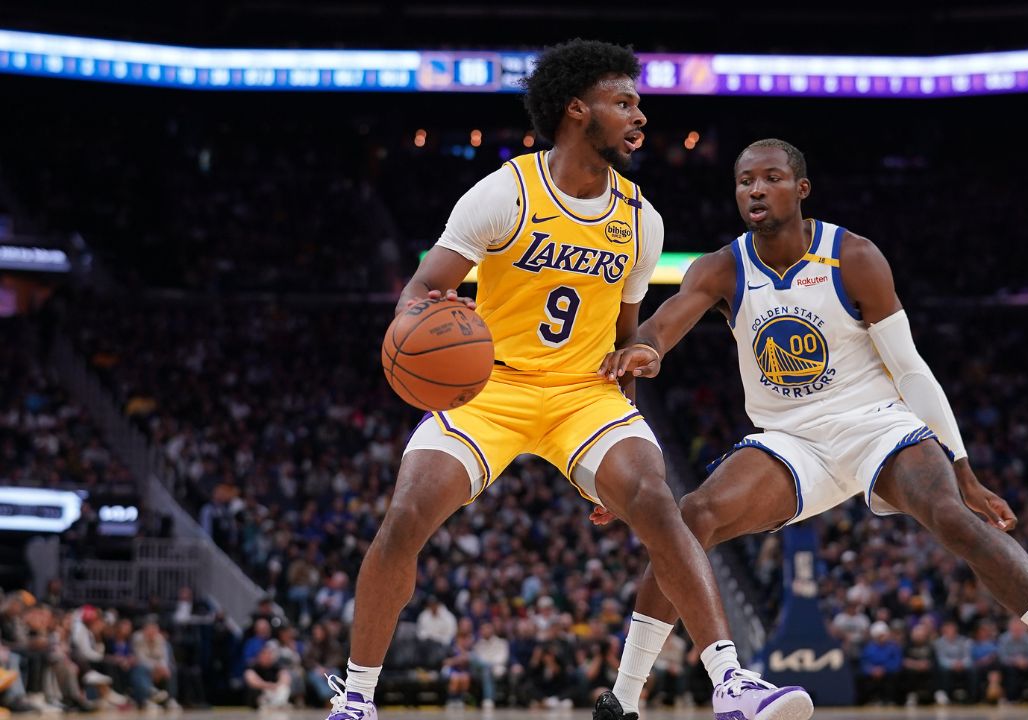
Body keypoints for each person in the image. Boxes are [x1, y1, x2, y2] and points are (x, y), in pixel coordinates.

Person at [595, 137, 1028, 720]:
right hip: (791, 441)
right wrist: (648, 350)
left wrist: (963, 468)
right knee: (693, 515)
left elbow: (910, 369)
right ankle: (622, 700)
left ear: (801, 188)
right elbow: (662, 325)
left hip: (876, 426)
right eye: (745, 182)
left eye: (771, 178)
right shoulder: (721, 267)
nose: (756, 190)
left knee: (951, 516)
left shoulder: (854, 256)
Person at [323, 40, 810, 720]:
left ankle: (730, 684)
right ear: (578, 110)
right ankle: (356, 699)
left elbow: (624, 340)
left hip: (584, 394)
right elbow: (419, 288)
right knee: (405, 516)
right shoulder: (505, 192)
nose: (640, 116)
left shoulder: (640, 219)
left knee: (657, 501)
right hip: (490, 389)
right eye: (624, 103)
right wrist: (418, 322)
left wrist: (624, 430)